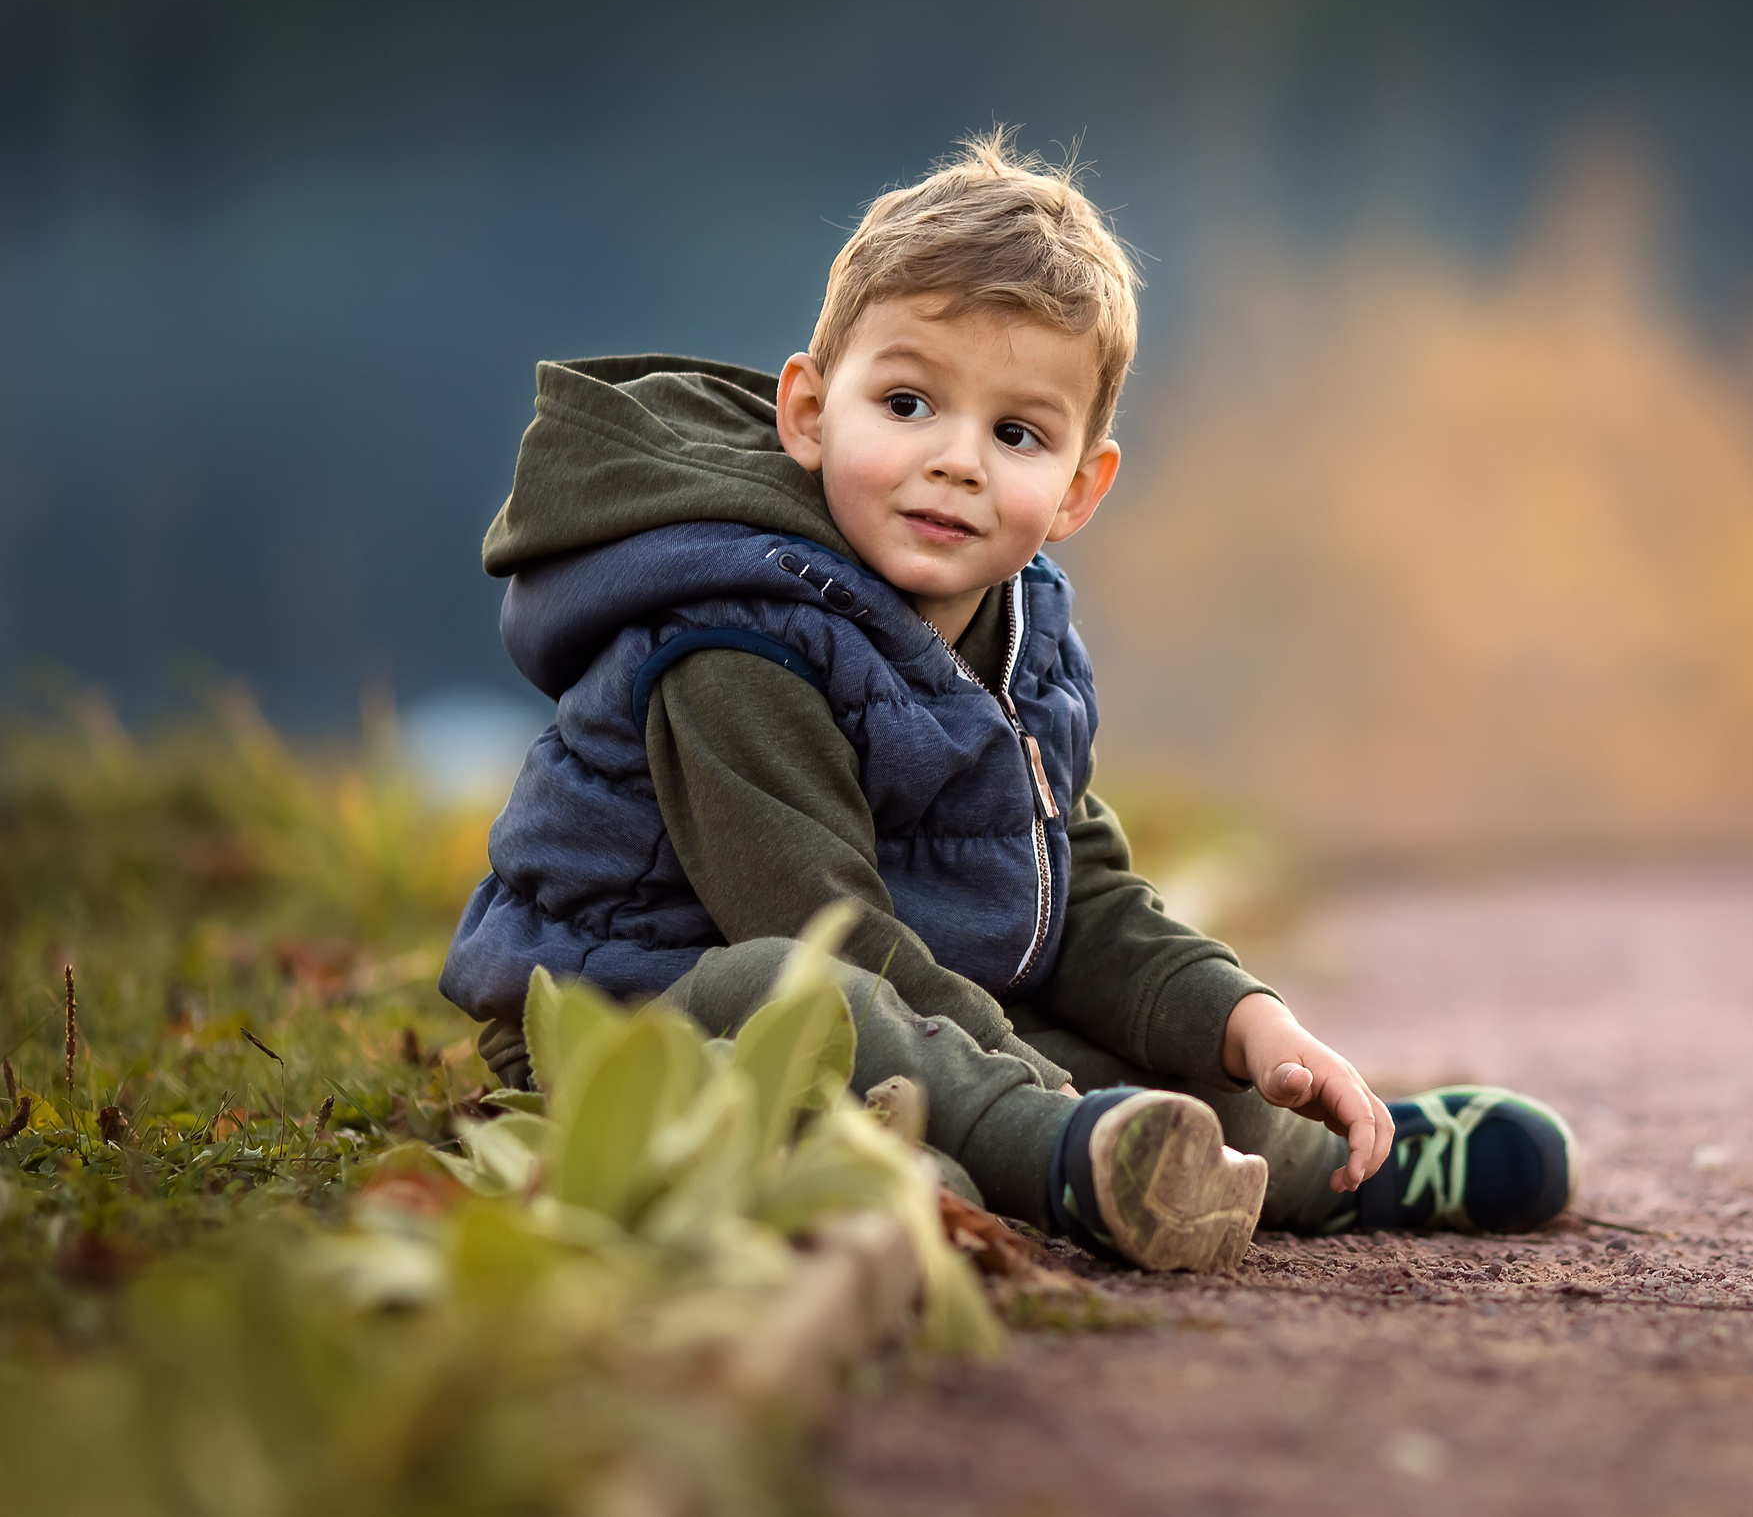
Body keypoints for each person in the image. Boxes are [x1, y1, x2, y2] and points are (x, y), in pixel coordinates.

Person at [438, 132, 1575, 1271]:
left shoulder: (1021, 629)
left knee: (1127, 1049)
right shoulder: (737, 640)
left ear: (1079, 487)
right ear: (809, 413)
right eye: (907, 403)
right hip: (636, 1020)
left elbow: (1075, 893)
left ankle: (1337, 1163)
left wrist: (1242, 1019)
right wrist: (1037, 1081)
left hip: (906, 1003)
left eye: (1016, 433)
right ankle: (1068, 1155)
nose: (958, 461)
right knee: (806, 995)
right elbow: (822, 929)